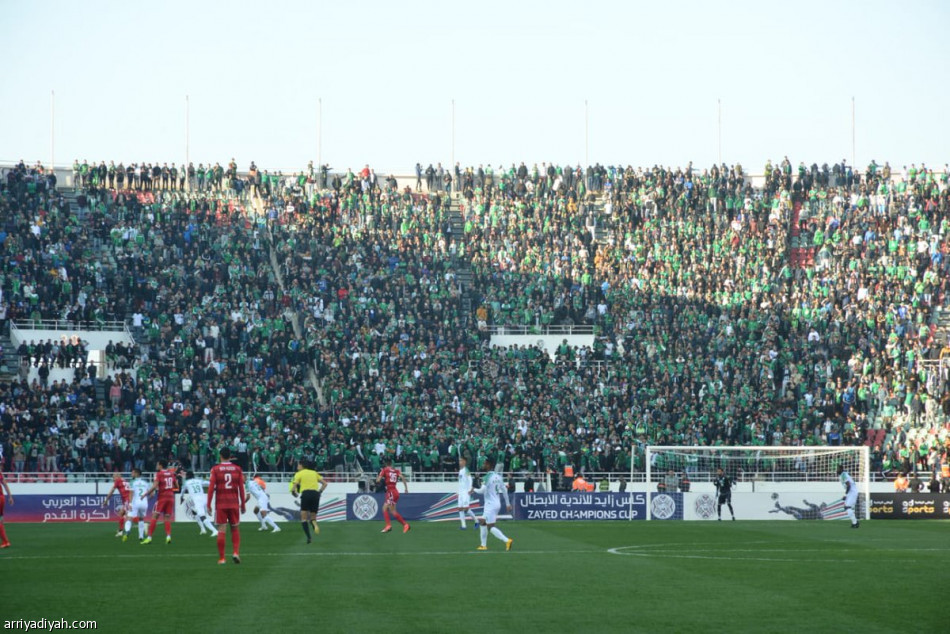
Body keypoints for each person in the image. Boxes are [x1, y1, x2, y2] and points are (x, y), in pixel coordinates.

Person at [207, 447, 247, 564]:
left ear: (220, 456)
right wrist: (243, 504)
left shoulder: (215, 469)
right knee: (234, 528)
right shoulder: (237, 469)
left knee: (221, 530)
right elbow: (241, 488)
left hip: (221, 504)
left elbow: (211, 488)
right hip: (234, 503)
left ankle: (222, 558)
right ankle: (235, 552)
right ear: (230, 456)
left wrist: (208, 504)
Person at [473, 456, 512, 551]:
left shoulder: (487, 477)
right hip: (496, 503)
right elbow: (504, 490)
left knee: (490, 526)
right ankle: (483, 545)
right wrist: (507, 503)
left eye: (485, 463)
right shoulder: (499, 476)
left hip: (490, 504)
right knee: (483, 522)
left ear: (489, 465)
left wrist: (472, 489)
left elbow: (482, 491)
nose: (483, 465)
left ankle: (507, 540)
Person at [142, 460, 178, 544]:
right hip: (171, 497)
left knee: (155, 516)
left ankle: (149, 538)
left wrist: (146, 494)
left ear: (161, 465)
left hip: (162, 497)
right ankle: (168, 536)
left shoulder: (159, 474)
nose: (156, 466)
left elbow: (154, 486)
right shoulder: (171, 473)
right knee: (167, 518)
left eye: (157, 464)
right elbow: (177, 486)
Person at [291, 460, 326, 543]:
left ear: (302, 466)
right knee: (313, 517)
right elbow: (325, 484)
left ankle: (309, 537)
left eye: (298, 464)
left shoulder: (299, 474)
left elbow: (294, 487)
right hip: (315, 494)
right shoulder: (314, 473)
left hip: (306, 494)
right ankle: (314, 524)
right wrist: (319, 492)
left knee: (303, 518)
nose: (297, 466)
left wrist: (294, 493)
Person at [376, 458, 410, 534]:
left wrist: (378, 477)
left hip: (390, 492)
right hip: (395, 491)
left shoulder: (384, 470)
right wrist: (406, 489)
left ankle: (388, 525)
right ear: (391, 464)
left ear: (385, 464)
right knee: (393, 511)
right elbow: (403, 478)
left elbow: (378, 480)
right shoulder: (396, 471)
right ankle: (405, 525)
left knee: (384, 508)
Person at [181, 470, 218, 536]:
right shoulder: (198, 480)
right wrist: (216, 486)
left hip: (197, 501)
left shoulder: (187, 483)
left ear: (187, 476)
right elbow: (209, 483)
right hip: (204, 498)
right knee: (194, 512)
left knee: (202, 516)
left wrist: (181, 497)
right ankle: (203, 529)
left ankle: (214, 531)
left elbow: (182, 490)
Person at [101, 470, 132, 538]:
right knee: (123, 514)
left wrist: (106, 500)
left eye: (113, 477)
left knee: (126, 516)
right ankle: (121, 531)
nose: (113, 478)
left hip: (127, 500)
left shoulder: (118, 481)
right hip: (129, 499)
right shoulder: (124, 480)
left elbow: (112, 490)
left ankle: (123, 532)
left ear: (118, 476)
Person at [126, 468, 150, 542]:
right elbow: (152, 494)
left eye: (133, 472)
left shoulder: (132, 482)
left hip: (136, 503)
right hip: (144, 503)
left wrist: (130, 503)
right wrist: (146, 500)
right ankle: (141, 536)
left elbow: (131, 493)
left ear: (137, 474)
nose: (131, 474)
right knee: (141, 519)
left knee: (129, 517)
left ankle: (127, 531)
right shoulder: (146, 482)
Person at [456, 456, 477, 530]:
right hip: (461, 492)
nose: (459, 462)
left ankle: (476, 521)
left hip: (466, 492)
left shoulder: (466, 470)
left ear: (464, 462)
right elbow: (460, 482)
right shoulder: (460, 471)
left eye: (461, 461)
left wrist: (470, 488)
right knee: (460, 508)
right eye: (459, 461)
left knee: (466, 508)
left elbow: (470, 479)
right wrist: (459, 491)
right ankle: (463, 525)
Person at [837, 464, 860, 528]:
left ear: (841, 469)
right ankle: (855, 522)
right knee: (846, 507)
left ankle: (855, 523)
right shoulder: (842, 475)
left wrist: (845, 495)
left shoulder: (844, 475)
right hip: (851, 492)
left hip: (852, 492)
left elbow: (849, 485)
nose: (836, 470)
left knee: (847, 507)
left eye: (838, 469)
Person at [0, 468, 13, 548]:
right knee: (0, 520)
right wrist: (10, 496)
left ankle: (5, 541)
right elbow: (5, 484)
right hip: (2, 498)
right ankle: (5, 541)